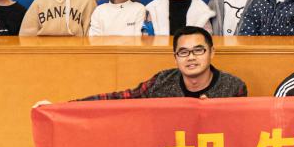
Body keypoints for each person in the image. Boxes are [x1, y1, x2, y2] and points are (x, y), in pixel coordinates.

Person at [70, 27, 247, 100]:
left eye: (198, 50)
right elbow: (123, 99)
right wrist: (68, 107)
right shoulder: (162, 81)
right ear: (175, 57)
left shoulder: (233, 87)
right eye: (183, 52)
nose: (191, 57)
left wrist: (215, 113)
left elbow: (240, 131)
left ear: (212, 52)